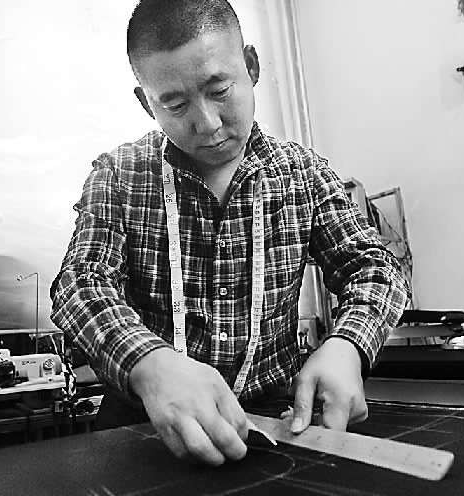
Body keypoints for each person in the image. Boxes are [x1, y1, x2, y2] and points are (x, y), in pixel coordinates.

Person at [50, 0, 409, 467]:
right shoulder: (119, 176)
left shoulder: (303, 175)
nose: (208, 123)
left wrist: (348, 346)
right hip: (144, 431)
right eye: (175, 105)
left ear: (252, 67)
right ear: (145, 102)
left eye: (219, 90)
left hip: (276, 429)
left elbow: (376, 268)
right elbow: (81, 283)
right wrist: (149, 364)